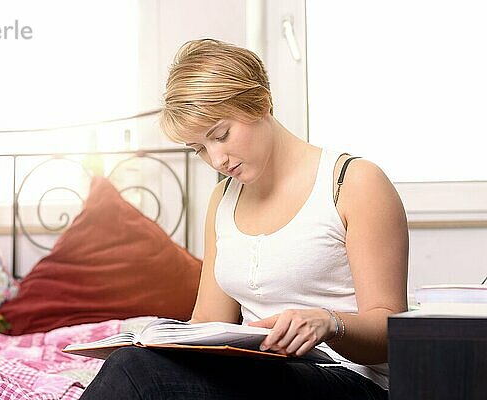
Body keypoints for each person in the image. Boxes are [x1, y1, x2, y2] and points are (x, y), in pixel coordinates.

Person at [80, 38, 408, 399]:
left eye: (221, 135)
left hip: (350, 380)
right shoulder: (223, 199)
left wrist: (328, 322)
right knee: (133, 362)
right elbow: (208, 323)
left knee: (134, 373)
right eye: (199, 149)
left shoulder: (353, 181)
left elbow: (390, 334)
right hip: (262, 373)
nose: (217, 159)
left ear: (261, 103)